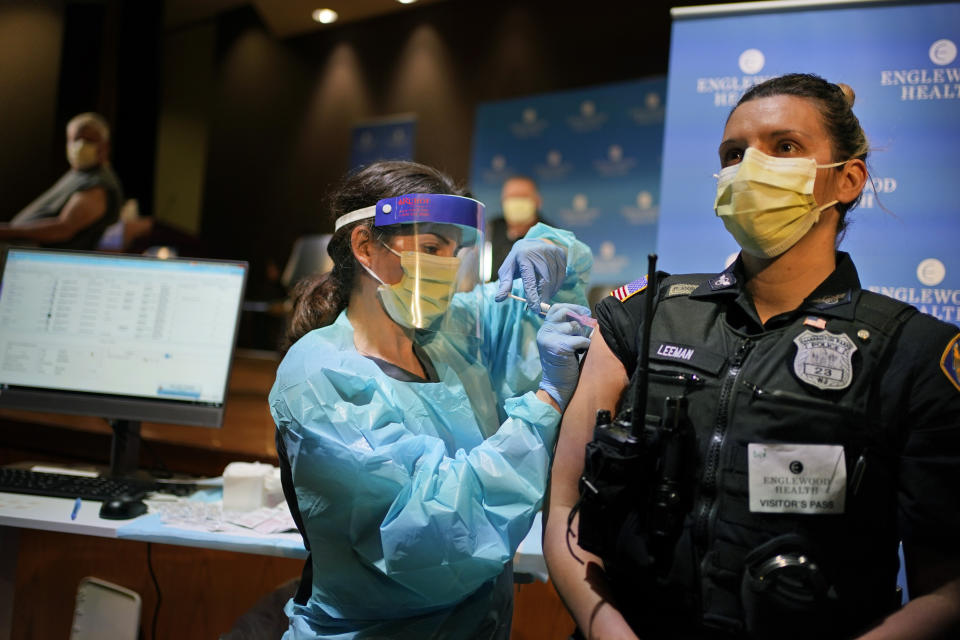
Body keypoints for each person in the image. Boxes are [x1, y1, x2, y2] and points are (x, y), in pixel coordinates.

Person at [544, 73, 960, 640]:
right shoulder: (644, 315)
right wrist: (608, 632)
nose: (750, 168)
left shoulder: (912, 352)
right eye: (733, 153)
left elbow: (947, 583)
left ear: (848, 179)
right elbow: (565, 507)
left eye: (785, 147)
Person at [269, 160, 594, 639]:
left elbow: (529, 305)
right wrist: (546, 403)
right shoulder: (320, 376)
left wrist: (552, 250)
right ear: (364, 247)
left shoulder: (447, 336)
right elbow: (434, 535)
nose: (449, 263)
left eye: (455, 250)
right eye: (430, 247)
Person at [0, 112, 123, 251]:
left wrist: (7, 232)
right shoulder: (80, 172)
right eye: (76, 139)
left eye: (89, 140)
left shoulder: (97, 184)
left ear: (105, 147)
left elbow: (63, 229)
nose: (80, 146)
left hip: (39, 260)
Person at [486, 175, 550, 280]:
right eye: (511, 197)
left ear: (538, 201)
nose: (516, 202)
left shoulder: (549, 235)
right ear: (502, 201)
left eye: (523, 197)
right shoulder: (491, 229)